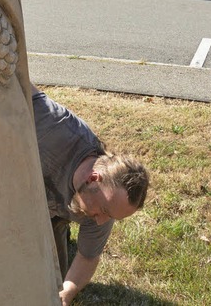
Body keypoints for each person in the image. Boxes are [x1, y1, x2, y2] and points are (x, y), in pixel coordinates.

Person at [31, 83, 150, 306]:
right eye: (104, 211)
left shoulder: (104, 211)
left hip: (50, 212)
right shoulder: (54, 126)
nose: (101, 220)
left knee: (49, 284)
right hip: (4, 188)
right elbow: (16, 83)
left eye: (110, 217)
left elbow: (87, 257)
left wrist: (66, 293)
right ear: (94, 178)